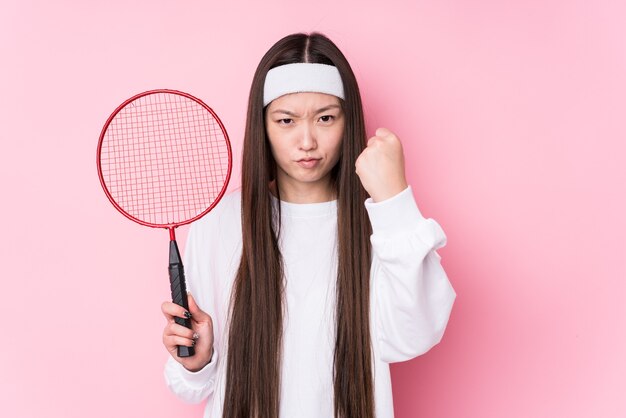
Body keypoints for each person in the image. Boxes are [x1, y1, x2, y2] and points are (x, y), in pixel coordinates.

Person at [161, 32, 456, 418]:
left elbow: (413, 335)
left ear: (348, 122)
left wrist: (394, 200)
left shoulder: (381, 223)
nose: (307, 141)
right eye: (286, 120)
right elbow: (190, 387)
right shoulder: (220, 224)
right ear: (262, 125)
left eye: (326, 118)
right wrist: (198, 360)